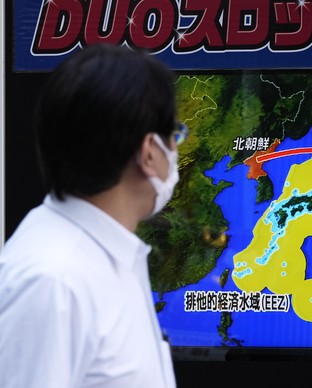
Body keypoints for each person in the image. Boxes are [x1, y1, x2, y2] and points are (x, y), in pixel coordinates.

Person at [0, 44, 187, 387]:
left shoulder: (110, 255)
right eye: (174, 135)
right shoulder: (52, 280)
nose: (176, 149)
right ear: (149, 152)